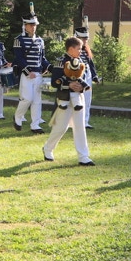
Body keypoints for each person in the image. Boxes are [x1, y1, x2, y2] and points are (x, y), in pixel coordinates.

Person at [42, 37, 95, 166]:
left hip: (78, 98)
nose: (81, 51)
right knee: (61, 127)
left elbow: (82, 78)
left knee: (80, 127)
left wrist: (81, 86)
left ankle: (83, 156)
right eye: (78, 49)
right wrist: (69, 85)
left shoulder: (80, 61)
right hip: (65, 98)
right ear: (71, 49)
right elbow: (55, 82)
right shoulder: (60, 62)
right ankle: (48, 148)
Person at [13, 4, 52, 134]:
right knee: (27, 99)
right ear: (25, 25)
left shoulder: (40, 41)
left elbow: (42, 58)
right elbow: (19, 58)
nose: (33, 27)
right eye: (30, 25)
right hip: (27, 74)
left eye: (34, 25)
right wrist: (27, 71)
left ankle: (35, 125)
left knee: (37, 101)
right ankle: (18, 117)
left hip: (38, 74)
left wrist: (49, 67)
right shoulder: (19, 40)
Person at [74, 18, 100, 129]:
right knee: (76, 100)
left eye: (86, 39)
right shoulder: (73, 49)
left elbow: (90, 63)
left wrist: (94, 76)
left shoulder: (86, 49)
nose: (85, 41)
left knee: (87, 99)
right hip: (77, 75)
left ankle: (85, 121)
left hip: (87, 74)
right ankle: (75, 122)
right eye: (83, 38)